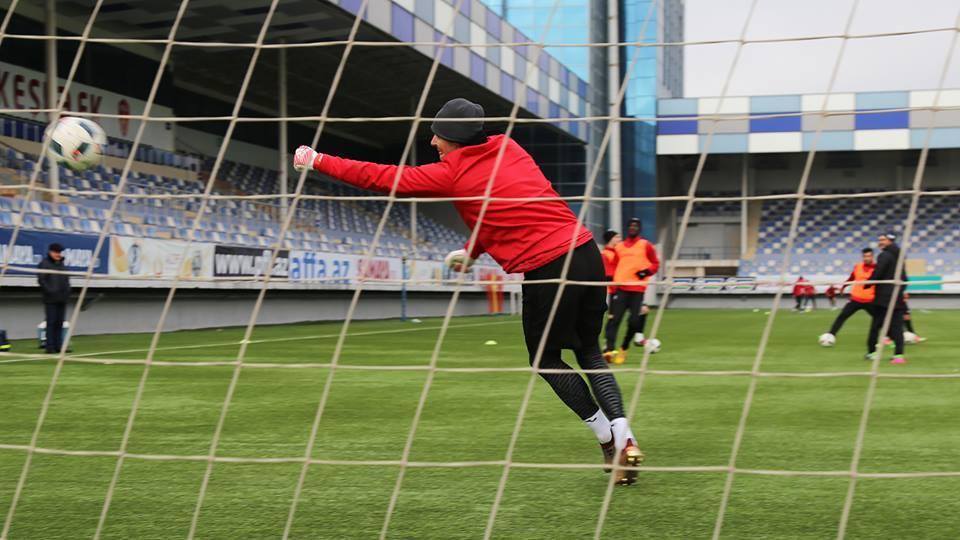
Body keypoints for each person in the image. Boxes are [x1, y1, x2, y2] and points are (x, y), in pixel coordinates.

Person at [293, 97, 643, 484]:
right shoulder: (508, 146)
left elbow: (385, 177)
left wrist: (317, 159)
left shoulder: (452, 173)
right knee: (589, 351)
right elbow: (502, 207)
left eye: (437, 136)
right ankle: (626, 438)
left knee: (545, 359)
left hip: (548, 265)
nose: (433, 143)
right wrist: (473, 252)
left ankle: (607, 439)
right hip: (586, 252)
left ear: (454, 138)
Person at [602, 218, 660, 365]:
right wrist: (612, 283)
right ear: (627, 228)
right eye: (631, 225)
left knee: (634, 322)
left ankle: (624, 347)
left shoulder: (646, 245)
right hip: (621, 289)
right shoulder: (619, 247)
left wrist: (646, 272)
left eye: (636, 226)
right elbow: (614, 266)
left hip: (637, 290)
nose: (633, 228)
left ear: (639, 228)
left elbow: (655, 263)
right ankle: (609, 350)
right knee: (614, 320)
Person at [864, 233, 907, 364]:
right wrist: (900, 292)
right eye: (879, 240)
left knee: (875, 326)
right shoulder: (900, 255)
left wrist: (867, 284)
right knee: (897, 328)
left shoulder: (884, 255)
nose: (880, 242)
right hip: (896, 298)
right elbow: (904, 278)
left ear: (890, 241)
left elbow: (878, 272)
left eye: (883, 240)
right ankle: (898, 356)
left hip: (883, 299)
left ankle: (872, 352)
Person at [822, 248, 876, 341]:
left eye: (869, 256)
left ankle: (891, 337)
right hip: (855, 299)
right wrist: (843, 287)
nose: (867, 258)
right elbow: (851, 278)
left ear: (872, 257)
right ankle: (831, 335)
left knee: (880, 319)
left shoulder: (878, 268)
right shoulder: (857, 266)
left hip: (870, 300)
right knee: (842, 316)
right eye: (865, 256)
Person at [37, 243, 71, 354]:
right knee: (51, 322)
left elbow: (66, 280)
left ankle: (59, 345)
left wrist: (67, 291)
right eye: (56, 252)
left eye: (59, 252)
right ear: (50, 252)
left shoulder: (61, 264)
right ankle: (50, 346)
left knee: (59, 322)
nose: (58, 254)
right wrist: (50, 291)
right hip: (51, 298)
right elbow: (42, 280)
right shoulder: (44, 264)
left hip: (62, 297)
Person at [600, 230, 620, 298]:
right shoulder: (604, 253)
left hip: (619, 285)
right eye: (617, 237)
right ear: (611, 239)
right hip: (611, 288)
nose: (619, 239)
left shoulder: (618, 252)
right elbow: (607, 273)